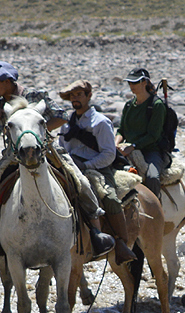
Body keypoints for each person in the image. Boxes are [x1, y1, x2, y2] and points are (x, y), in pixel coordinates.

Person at [0, 61, 115, 258]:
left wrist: (34, 133)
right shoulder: (0, 107)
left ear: (7, 81)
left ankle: (96, 233)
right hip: (14, 157)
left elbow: (61, 116)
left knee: (80, 179)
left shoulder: (36, 96)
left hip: (46, 151)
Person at [57, 80, 136, 263]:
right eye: (72, 95)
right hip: (71, 167)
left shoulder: (100, 122)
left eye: (79, 94)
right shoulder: (66, 124)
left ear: (88, 96)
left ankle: (121, 244)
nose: (75, 98)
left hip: (97, 168)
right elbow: (62, 149)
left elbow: (109, 154)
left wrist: (86, 166)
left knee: (109, 198)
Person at [115, 68, 169, 198]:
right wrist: (115, 144)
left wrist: (132, 146)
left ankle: (157, 211)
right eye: (130, 83)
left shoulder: (156, 105)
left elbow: (153, 136)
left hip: (151, 151)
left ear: (145, 82)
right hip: (127, 148)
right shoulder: (129, 105)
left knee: (152, 177)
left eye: (135, 82)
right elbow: (121, 130)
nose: (131, 86)